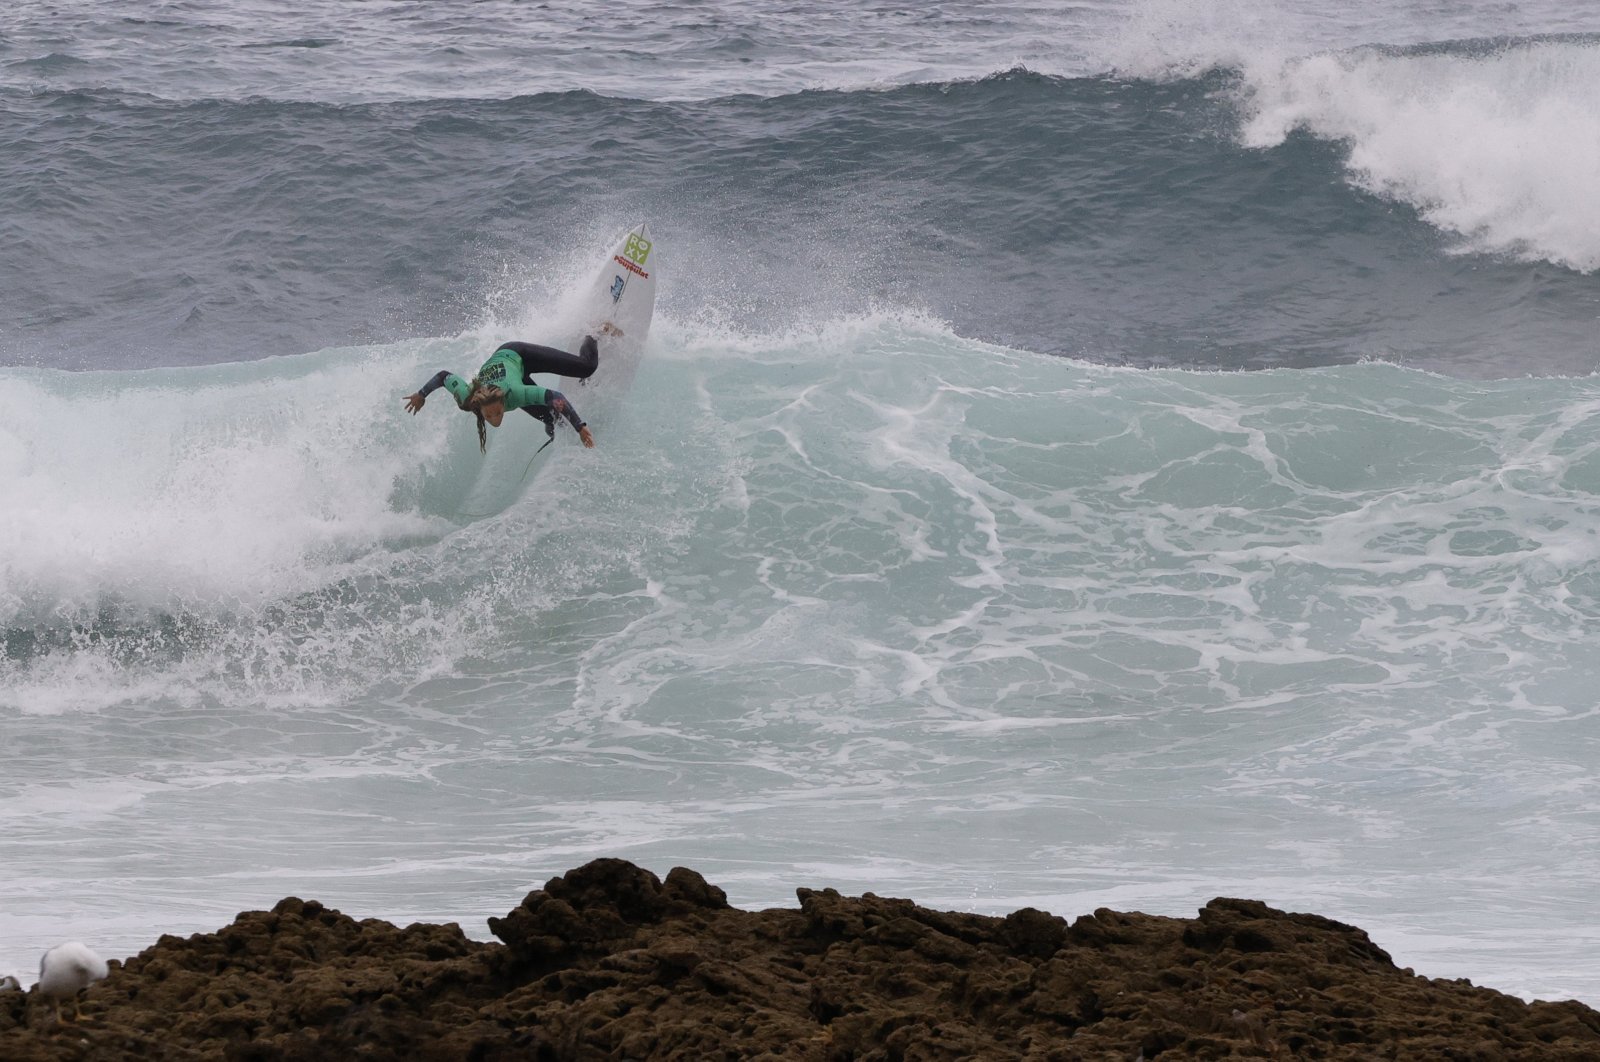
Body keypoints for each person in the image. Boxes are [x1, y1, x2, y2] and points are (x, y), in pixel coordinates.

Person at [404, 336, 599, 453]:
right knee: (552, 420)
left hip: (519, 355)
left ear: (504, 401)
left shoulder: (516, 394)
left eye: (497, 412)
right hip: (510, 373)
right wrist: (421, 395)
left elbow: (554, 397)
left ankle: (593, 334)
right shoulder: (468, 398)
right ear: (479, 408)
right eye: (490, 415)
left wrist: (580, 427)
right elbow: (443, 376)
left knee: (587, 367)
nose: (495, 419)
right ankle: (559, 434)